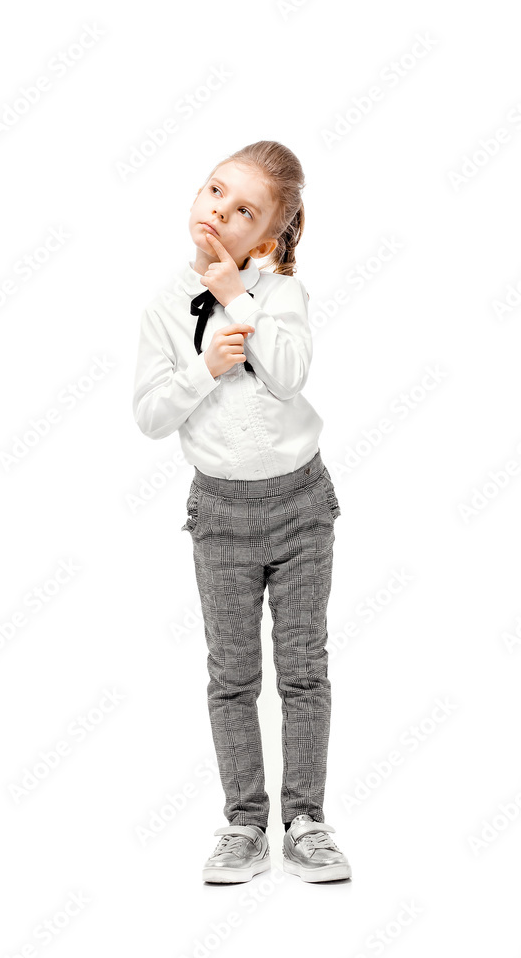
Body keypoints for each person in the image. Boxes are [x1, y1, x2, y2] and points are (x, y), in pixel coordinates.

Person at [132, 140, 352, 884]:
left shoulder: (279, 292)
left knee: (302, 669)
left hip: (298, 506)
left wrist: (236, 297)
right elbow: (151, 415)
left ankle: (306, 820)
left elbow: (288, 377)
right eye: (213, 192)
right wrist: (205, 367)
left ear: (262, 237)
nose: (217, 211)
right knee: (231, 676)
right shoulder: (164, 306)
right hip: (220, 512)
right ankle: (243, 823)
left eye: (241, 210)